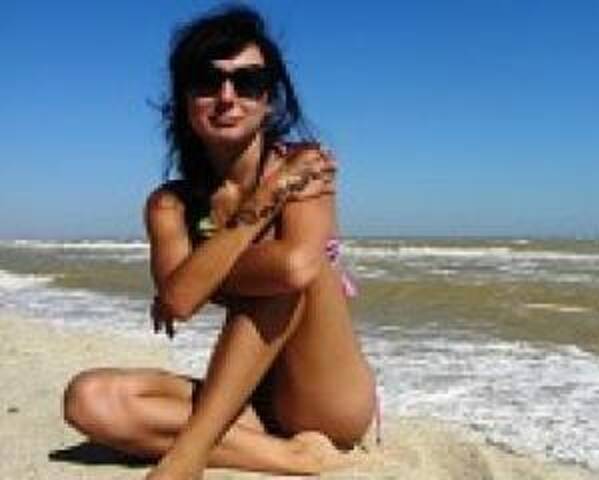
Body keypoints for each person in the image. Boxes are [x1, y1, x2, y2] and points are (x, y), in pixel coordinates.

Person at [62, 6, 376, 479]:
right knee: (90, 400)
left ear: (269, 100)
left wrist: (200, 277)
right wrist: (267, 198)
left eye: (247, 82)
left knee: (280, 276)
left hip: (326, 401)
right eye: (207, 82)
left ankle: (190, 454)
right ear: (185, 100)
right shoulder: (171, 204)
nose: (227, 97)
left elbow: (292, 268)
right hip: (248, 393)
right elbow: (179, 300)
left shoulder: (305, 165)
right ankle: (292, 458)